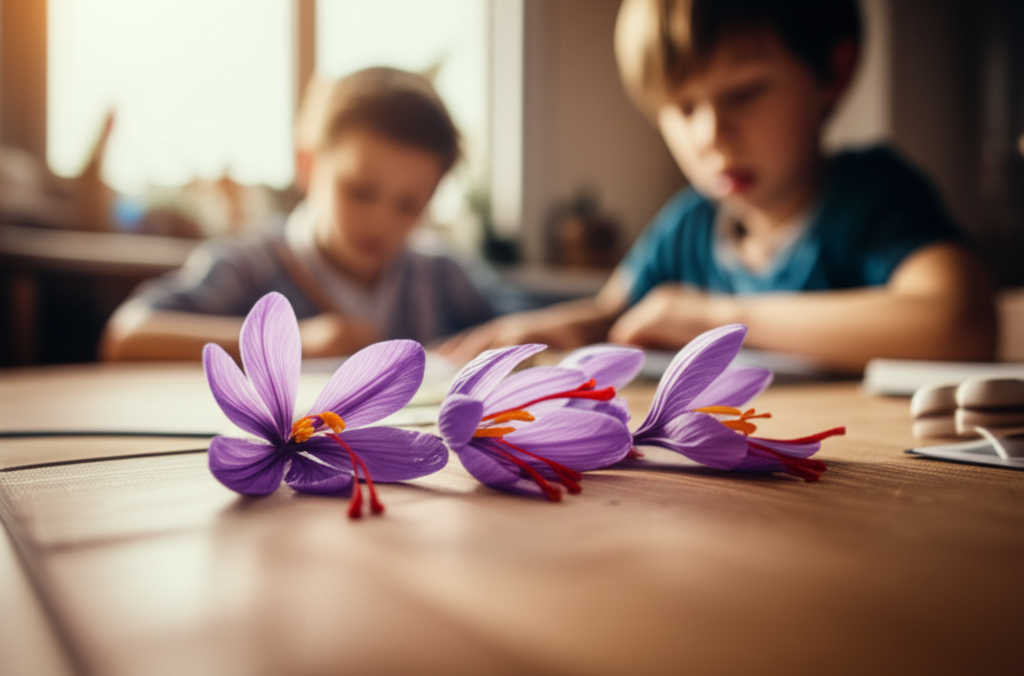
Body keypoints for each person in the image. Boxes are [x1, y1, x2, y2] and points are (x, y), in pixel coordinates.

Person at [440, 0, 997, 373]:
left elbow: (960, 323)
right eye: (683, 107)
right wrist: (539, 330)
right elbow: (620, 312)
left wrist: (712, 318)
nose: (711, 134)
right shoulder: (690, 222)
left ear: (833, 72)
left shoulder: (868, 197)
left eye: (745, 93)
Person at [102, 67, 494, 361]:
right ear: (308, 166)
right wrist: (294, 342)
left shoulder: (440, 273)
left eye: (409, 205)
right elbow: (126, 336)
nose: (381, 221)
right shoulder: (251, 265)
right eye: (359, 192)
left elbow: (517, 324)